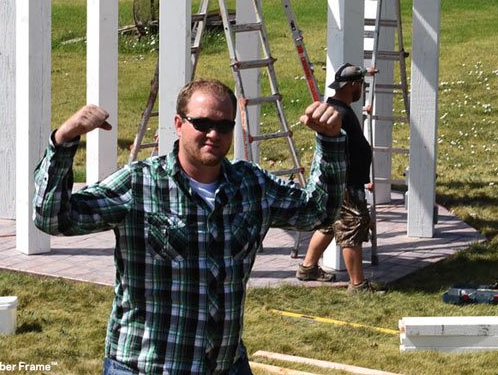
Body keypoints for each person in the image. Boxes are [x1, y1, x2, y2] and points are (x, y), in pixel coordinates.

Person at [34, 79, 348, 375]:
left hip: (225, 365)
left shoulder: (251, 185)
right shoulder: (140, 183)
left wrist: (330, 140)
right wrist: (63, 141)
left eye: (224, 125)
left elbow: (317, 213)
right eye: (202, 124)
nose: (213, 134)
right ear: (178, 124)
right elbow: (54, 219)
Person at [295, 64, 383, 296]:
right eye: (360, 85)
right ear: (353, 85)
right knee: (352, 227)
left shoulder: (338, 109)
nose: (361, 89)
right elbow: (337, 150)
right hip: (346, 184)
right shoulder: (339, 113)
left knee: (329, 226)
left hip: (341, 182)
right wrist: (354, 183)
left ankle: (308, 268)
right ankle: (358, 285)